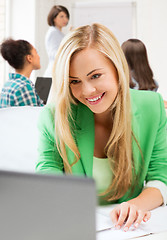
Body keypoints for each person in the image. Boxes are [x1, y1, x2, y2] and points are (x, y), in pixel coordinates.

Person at [36, 24, 167, 231]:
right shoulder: (54, 116)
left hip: (127, 230)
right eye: (74, 81)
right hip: (75, 226)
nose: (87, 90)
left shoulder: (152, 107)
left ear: (117, 68)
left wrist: (134, 206)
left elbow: (160, 177)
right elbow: (47, 172)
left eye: (95, 75)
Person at [0, 38, 43, 107]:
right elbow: (32, 116)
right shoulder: (25, 87)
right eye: (36, 52)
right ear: (29, 58)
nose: (39, 56)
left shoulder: (7, 85)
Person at [44, 5, 70, 77]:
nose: (65, 19)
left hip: (56, 71)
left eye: (66, 16)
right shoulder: (53, 32)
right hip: (53, 72)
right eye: (61, 16)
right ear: (54, 18)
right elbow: (54, 54)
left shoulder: (59, 33)